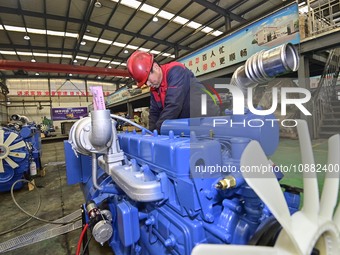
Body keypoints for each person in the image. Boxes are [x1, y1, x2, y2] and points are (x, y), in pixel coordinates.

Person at [127, 51, 219, 132]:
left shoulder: (175, 70)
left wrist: (157, 131)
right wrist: (152, 133)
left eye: (147, 79)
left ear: (155, 67)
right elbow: (154, 113)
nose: (148, 84)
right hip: (187, 125)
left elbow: (173, 105)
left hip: (206, 121)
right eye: (144, 82)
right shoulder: (154, 89)